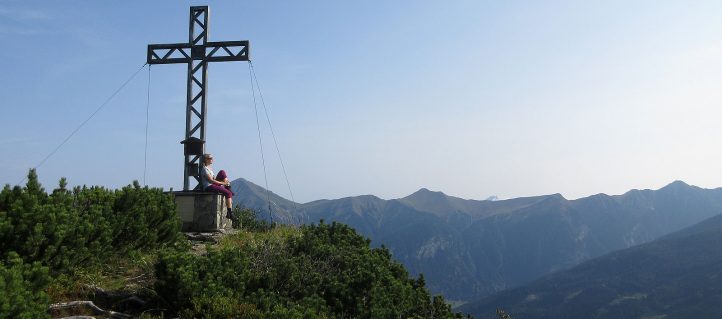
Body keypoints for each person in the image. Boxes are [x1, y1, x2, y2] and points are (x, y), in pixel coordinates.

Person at [201, 153, 237, 222]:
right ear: (206, 160)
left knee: (222, 172)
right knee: (228, 193)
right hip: (209, 187)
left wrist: (224, 183)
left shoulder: (209, 169)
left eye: (212, 158)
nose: (212, 159)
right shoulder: (204, 169)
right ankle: (230, 213)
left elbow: (214, 179)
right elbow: (211, 181)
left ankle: (228, 187)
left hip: (213, 185)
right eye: (210, 158)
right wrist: (223, 183)